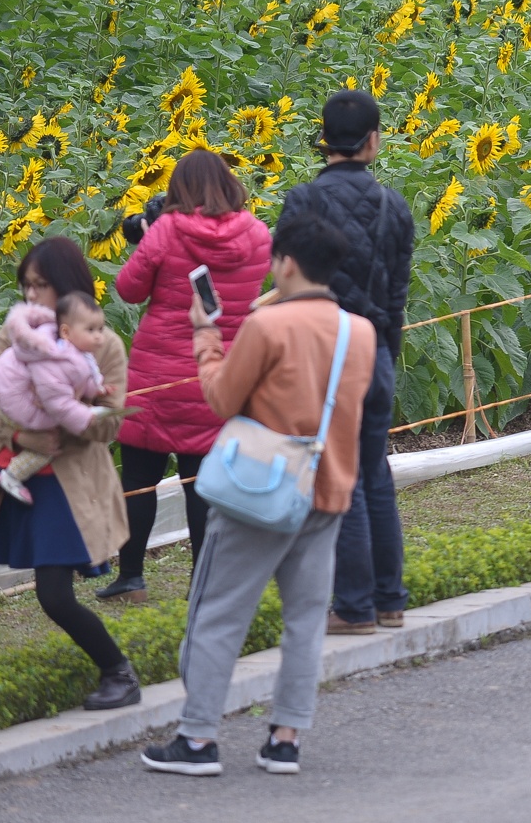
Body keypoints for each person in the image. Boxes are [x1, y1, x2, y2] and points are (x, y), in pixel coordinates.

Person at [142, 210, 376, 776]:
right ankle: (285, 738)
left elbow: (222, 399)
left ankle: (197, 738)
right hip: (327, 490)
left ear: (288, 263)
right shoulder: (358, 331)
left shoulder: (268, 328)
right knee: (305, 619)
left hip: (261, 493)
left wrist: (205, 334)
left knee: (218, 614)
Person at [0, 238, 140, 710]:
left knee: (55, 596)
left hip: (59, 487)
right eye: (26, 286)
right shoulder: (19, 330)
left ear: (68, 286)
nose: (30, 297)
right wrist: (22, 435)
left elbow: (110, 423)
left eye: (40, 286)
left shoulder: (100, 342)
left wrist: (71, 412)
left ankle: (119, 672)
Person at [103, 147, 270, 601]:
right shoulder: (257, 234)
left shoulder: (168, 230)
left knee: (138, 478)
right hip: (219, 373)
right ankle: (205, 582)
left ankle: (131, 577)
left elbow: (128, 289)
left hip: (158, 377)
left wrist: (148, 234)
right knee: (202, 484)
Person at [276, 89, 413, 636]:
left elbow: (284, 283)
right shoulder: (393, 206)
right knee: (373, 471)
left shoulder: (302, 202)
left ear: (325, 140)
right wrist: (386, 353)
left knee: (342, 475)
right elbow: (398, 294)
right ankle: (388, 600)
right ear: (373, 140)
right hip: (374, 347)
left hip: (324, 350)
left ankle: (353, 606)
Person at [0, 294, 120, 506]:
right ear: (67, 331)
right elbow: (56, 402)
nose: (99, 337)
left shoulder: (49, 337)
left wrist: (96, 390)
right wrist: (84, 417)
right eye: (91, 330)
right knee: (47, 445)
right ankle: (12, 476)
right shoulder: (57, 358)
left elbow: (82, 378)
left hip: (2, 387)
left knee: (3, 411)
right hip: (19, 402)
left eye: (100, 329)